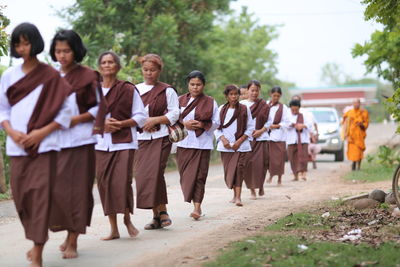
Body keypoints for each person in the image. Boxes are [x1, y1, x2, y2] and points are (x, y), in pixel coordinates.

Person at [0, 23, 72, 267]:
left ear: (36, 43)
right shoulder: (9, 75)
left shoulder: (51, 75)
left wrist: (41, 133)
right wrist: (11, 131)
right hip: (16, 146)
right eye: (18, 43)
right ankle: (36, 238)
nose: (22, 48)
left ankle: (38, 249)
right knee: (21, 199)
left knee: (41, 197)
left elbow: (65, 112)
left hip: (45, 146)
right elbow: (2, 109)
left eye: (26, 42)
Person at [47, 29, 99, 259]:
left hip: (81, 141)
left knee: (78, 192)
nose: (62, 55)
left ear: (75, 51)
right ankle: (66, 232)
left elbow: (99, 108)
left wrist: (75, 120)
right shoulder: (51, 77)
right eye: (58, 51)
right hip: (55, 142)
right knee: (56, 192)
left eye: (66, 51)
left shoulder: (88, 76)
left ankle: (73, 239)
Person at [93, 51, 147, 240]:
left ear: (118, 67)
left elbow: (141, 117)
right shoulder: (93, 91)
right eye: (104, 62)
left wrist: (121, 124)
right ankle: (113, 228)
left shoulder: (128, 89)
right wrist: (101, 125)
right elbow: (84, 117)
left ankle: (127, 220)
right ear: (100, 67)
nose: (107, 65)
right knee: (104, 184)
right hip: (100, 144)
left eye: (111, 62)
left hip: (124, 142)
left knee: (122, 182)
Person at [134, 54, 180, 229]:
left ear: (159, 71)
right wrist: (144, 123)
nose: (148, 73)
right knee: (142, 175)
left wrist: (156, 120)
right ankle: (156, 216)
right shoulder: (136, 90)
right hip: (141, 138)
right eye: (145, 70)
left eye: (152, 70)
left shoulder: (167, 90)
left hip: (161, 138)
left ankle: (162, 212)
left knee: (155, 173)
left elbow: (175, 113)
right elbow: (131, 113)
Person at [176, 70, 219, 220]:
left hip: (202, 144)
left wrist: (202, 124)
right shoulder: (179, 100)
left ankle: (197, 207)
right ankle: (193, 201)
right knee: (185, 176)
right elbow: (173, 119)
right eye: (192, 84)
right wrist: (184, 123)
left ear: (203, 85)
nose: (195, 87)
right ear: (188, 84)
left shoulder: (210, 101)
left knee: (200, 176)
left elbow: (217, 123)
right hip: (184, 143)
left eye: (198, 85)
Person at [215, 84, 255, 206]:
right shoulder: (221, 109)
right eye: (231, 94)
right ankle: (234, 195)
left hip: (241, 146)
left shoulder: (244, 109)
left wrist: (239, 141)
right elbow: (216, 127)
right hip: (225, 147)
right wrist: (223, 139)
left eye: (236, 94)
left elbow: (250, 127)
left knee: (239, 170)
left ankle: (238, 197)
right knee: (230, 171)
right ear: (226, 96)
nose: (234, 96)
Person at [240, 80, 270, 199]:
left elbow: (269, 121)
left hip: (261, 138)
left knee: (262, 165)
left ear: (259, 91)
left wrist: (261, 131)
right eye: (252, 90)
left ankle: (260, 185)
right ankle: (252, 189)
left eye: (256, 90)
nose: (254, 93)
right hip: (246, 139)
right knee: (248, 165)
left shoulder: (264, 105)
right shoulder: (242, 104)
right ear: (247, 91)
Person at [266, 86, 290, 185]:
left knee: (279, 159)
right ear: (270, 94)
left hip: (279, 136)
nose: (275, 97)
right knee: (270, 158)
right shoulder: (266, 105)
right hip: (267, 136)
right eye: (274, 95)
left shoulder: (283, 108)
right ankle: (271, 176)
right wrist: (267, 126)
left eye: (278, 96)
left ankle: (279, 179)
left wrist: (277, 125)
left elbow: (287, 122)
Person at [291, 94, 320, 169]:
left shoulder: (306, 112)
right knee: (295, 154)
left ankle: (304, 168)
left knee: (307, 151)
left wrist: (314, 134)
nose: (295, 101)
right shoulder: (289, 111)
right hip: (293, 137)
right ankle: (297, 169)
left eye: (297, 100)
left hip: (305, 135)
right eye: (294, 100)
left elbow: (312, 123)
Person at [287, 100, 312, 181]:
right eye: (292, 110)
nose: (294, 111)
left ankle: (304, 173)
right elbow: (285, 125)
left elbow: (310, 124)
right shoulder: (288, 116)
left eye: (296, 110)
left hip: (303, 140)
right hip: (291, 140)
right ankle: (295, 175)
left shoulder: (304, 115)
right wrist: (294, 125)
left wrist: (303, 125)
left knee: (304, 157)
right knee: (292, 158)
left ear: (299, 108)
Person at [342, 98, 369, 171]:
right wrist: (345, 133)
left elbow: (366, 123)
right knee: (353, 152)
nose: (355, 104)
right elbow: (344, 122)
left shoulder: (364, 112)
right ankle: (353, 165)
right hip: (351, 135)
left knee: (359, 151)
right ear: (352, 104)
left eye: (357, 103)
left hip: (359, 135)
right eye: (354, 103)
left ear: (359, 104)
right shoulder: (349, 112)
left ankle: (358, 166)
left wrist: (361, 125)